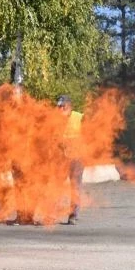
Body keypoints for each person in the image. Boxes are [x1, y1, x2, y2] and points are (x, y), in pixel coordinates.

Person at [57, 95, 84, 225]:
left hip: (77, 158)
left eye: (63, 106)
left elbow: (91, 133)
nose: (61, 109)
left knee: (75, 187)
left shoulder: (79, 117)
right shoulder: (56, 120)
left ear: (69, 106)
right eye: (59, 106)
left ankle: (73, 216)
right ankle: (50, 214)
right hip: (62, 158)